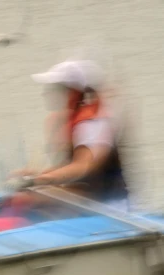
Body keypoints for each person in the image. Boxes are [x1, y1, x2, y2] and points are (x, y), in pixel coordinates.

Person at [15, 59, 129, 207]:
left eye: (56, 89)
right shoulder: (71, 120)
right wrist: (36, 175)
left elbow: (82, 167)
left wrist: (39, 180)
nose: (47, 94)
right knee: (25, 197)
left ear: (74, 93)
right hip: (88, 197)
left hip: (109, 205)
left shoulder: (92, 124)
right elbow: (68, 167)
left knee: (25, 201)